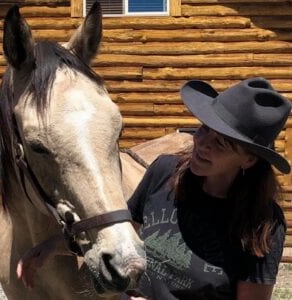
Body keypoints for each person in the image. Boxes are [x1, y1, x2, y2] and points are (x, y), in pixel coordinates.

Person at [17, 77, 291, 300]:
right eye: (204, 129)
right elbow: (124, 235)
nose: (203, 143)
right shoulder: (165, 173)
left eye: (222, 143)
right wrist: (52, 247)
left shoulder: (262, 224)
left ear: (249, 159)